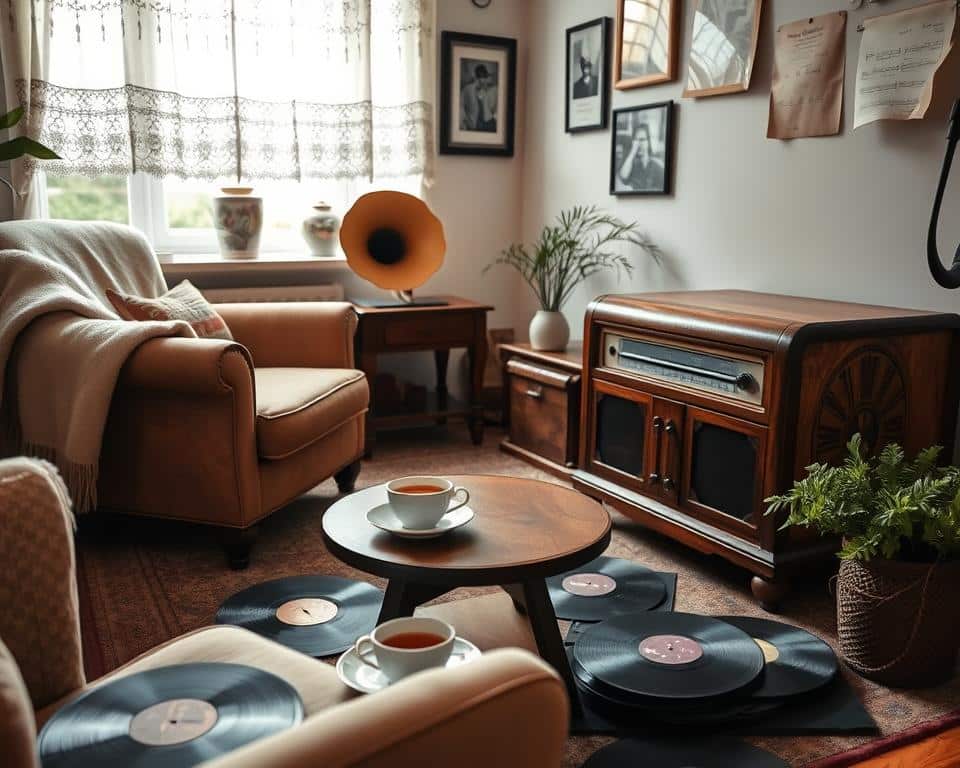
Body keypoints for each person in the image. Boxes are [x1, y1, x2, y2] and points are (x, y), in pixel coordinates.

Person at [618, 122, 664, 191]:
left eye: (642, 139)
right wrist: (632, 152)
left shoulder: (657, 164)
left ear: (649, 141)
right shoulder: (631, 164)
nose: (638, 143)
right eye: (636, 140)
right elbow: (623, 176)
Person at [460, 63, 498, 132]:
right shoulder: (467, 89)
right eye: (481, 77)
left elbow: (494, 108)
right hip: (473, 124)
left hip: (489, 122)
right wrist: (463, 122)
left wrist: (494, 117)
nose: (484, 80)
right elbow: (460, 106)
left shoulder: (490, 90)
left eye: (485, 77)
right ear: (476, 78)